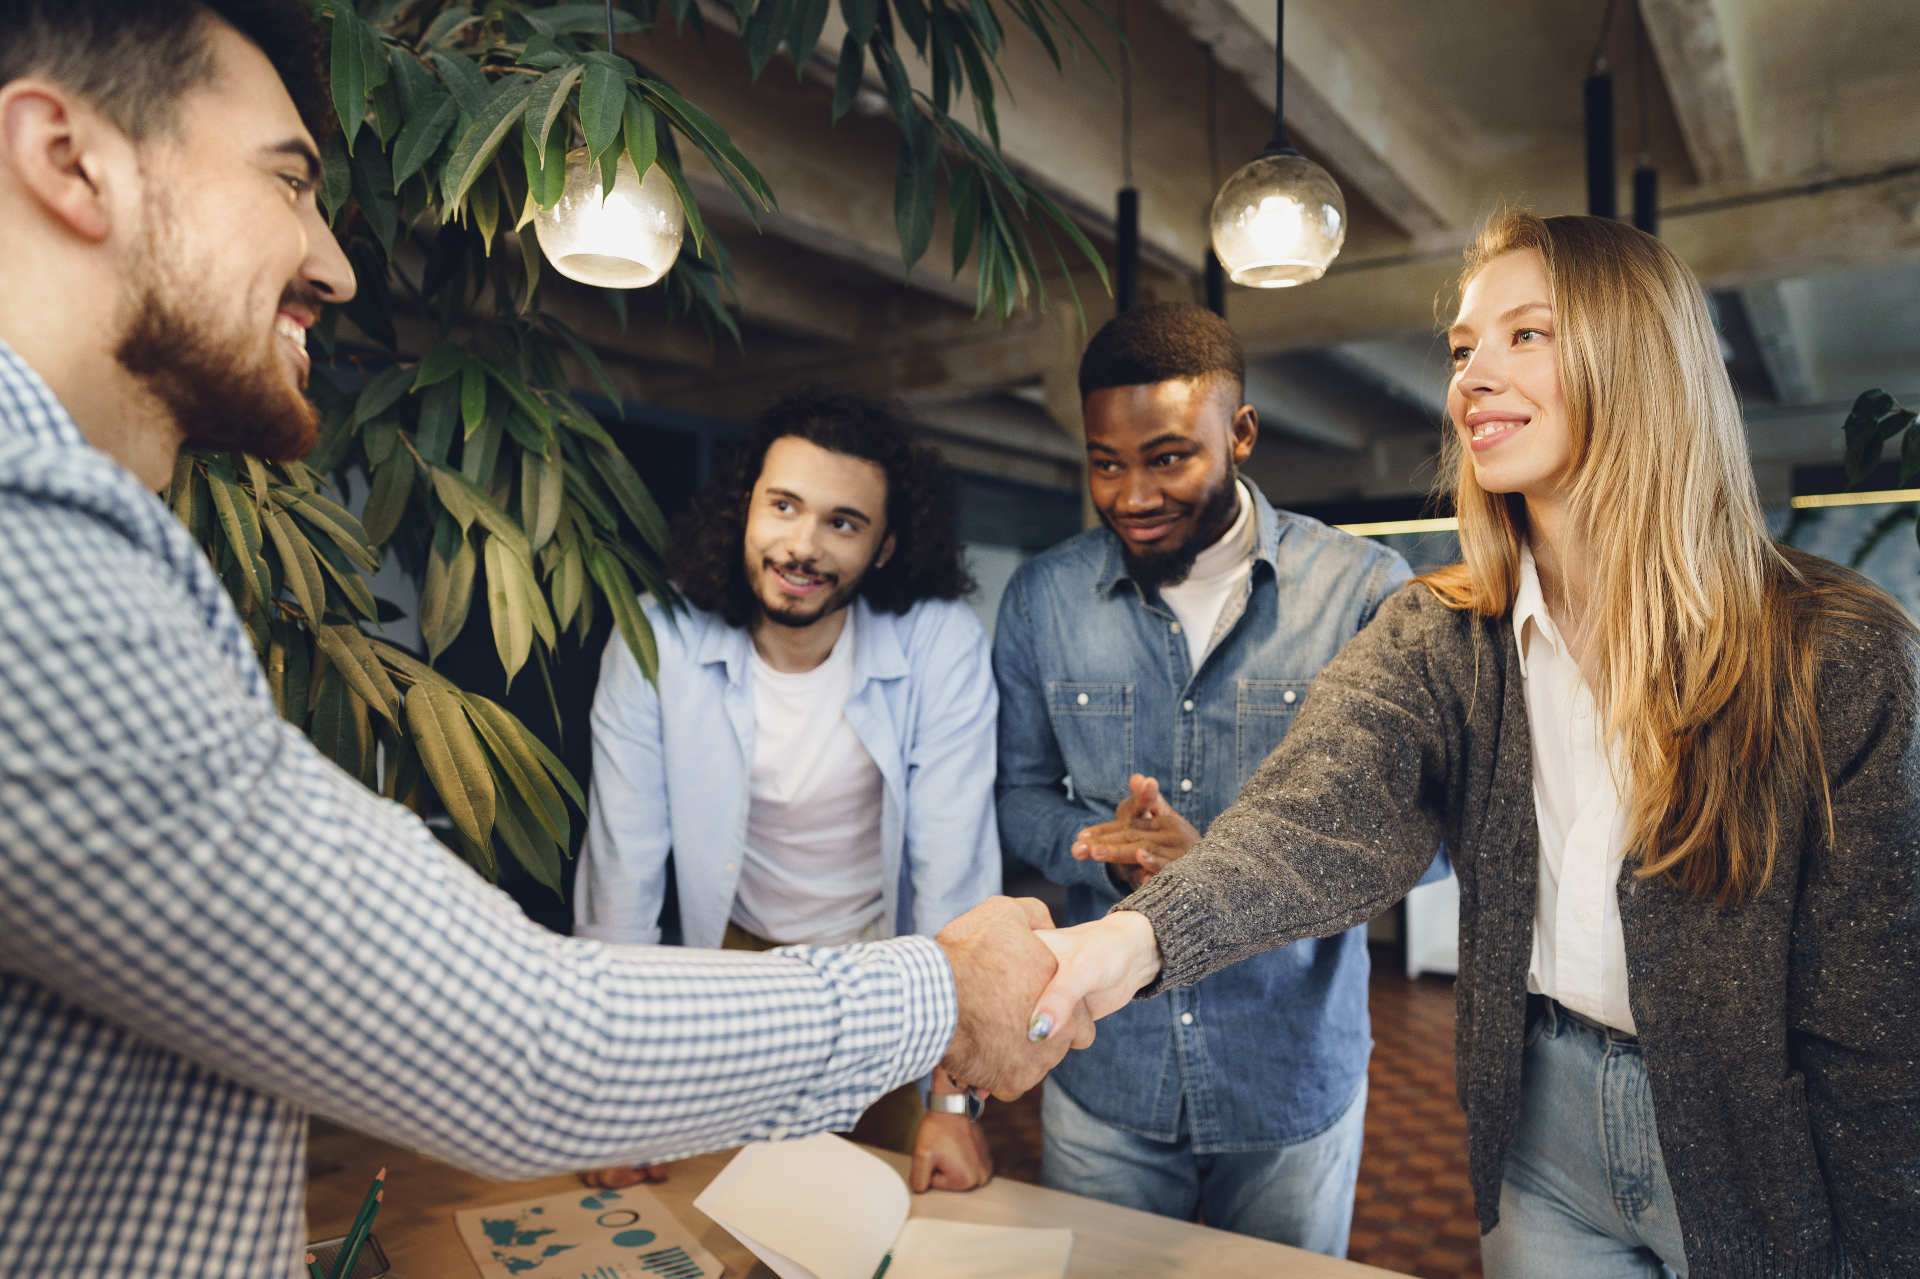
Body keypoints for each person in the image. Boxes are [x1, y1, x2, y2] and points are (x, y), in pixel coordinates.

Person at [0, 4, 1076, 1273]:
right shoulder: (37, 558)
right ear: (67, 159)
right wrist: (945, 988)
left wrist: (939, 1059)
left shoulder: (77, 536)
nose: (336, 265)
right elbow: (517, 1034)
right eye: (289, 182)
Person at [1031, 212, 1920, 1277]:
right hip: (1537, 1130)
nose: (1472, 376)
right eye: (1463, 349)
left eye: (1525, 335)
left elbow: (1877, 1037)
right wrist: (1119, 947)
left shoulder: (1841, 653)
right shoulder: (1442, 632)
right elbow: (1312, 812)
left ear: (1638, 354)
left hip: (1755, 1142)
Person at [992, 302, 1411, 1253]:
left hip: (1289, 1076)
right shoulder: (1044, 598)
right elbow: (1013, 796)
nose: (1132, 493)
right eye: (1106, 462)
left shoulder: (1362, 594)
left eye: (1169, 457)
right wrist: (1097, 847)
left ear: (1243, 433)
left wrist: (1218, 864)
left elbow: (1425, 843)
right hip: (1107, 1074)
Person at [576, 389, 1001, 1193]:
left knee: (875, 1207)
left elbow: (955, 868)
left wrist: (954, 1099)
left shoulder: (940, 641)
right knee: (710, 1198)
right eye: (784, 505)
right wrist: (612, 1093)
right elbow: (621, 866)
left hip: (882, 972)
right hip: (729, 961)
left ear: (884, 548)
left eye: (843, 522)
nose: (801, 545)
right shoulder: (658, 632)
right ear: (747, 508)